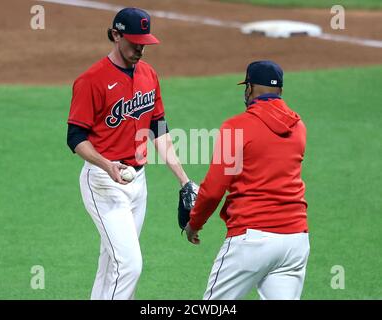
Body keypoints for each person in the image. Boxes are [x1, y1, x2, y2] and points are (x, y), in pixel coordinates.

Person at [67, 7, 193, 300]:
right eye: (134, 41)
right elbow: (75, 138)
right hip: (103, 182)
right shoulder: (92, 80)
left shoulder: (149, 74)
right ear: (115, 35)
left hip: (138, 183)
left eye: (144, 43)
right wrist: (105, 164)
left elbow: (158, 128)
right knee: (129, 266)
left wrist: (183, 180)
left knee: (112, 262)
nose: (140, 48)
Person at [185, 61, 310, 300]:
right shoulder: (299, 127)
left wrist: (194, 223)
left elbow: (213, 190)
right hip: (295, 240)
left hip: (252, 239)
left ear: (249, 88)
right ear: (280, 92)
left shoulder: (236, 127)